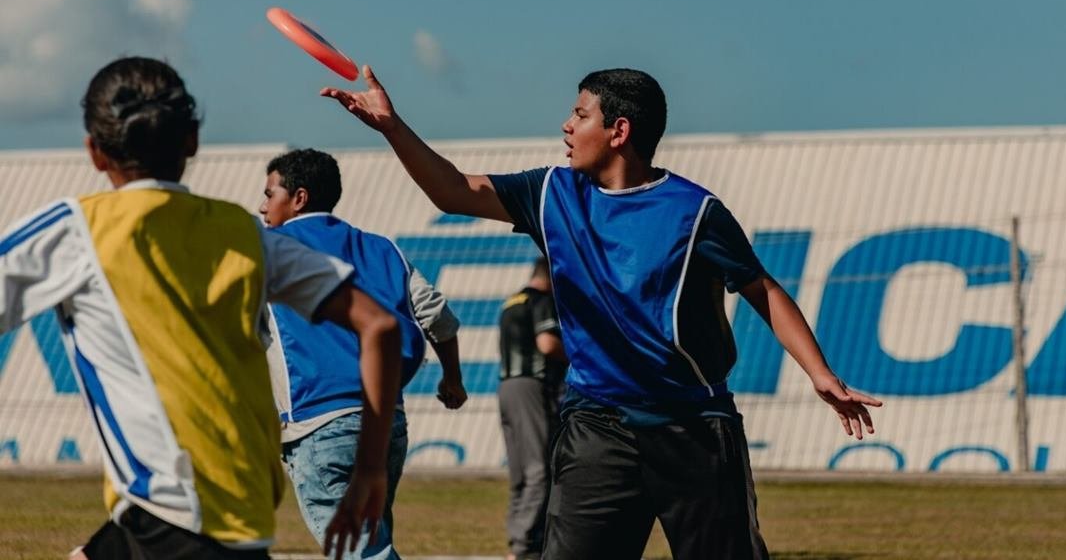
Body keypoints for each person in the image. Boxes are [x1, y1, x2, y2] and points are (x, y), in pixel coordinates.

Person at [321, 65, 884, 560]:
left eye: (579, 113)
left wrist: (820, 374)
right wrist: (392, 127)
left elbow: (761, 288)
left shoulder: (696, 213)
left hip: (693, 425)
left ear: (619, 131)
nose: (567, 126)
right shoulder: (551, 194)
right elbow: (453, 191)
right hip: (596, 426)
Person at [0, 57, 399, 560]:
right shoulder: (243, 233)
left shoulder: (75, 231)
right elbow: (379, 326)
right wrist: (370, 471)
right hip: (236, 510)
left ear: (95, 152)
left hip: (174, 511)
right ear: (191, 142)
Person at [258, 147, 468, 560]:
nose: (262, 206)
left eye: (269, 194)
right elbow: (437, 316)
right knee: (370, 543)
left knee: (360, 553)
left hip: (320, 421)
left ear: (298, 198)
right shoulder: (383, 248)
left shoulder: (270, 250)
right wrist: (452, 378)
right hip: (386, 420)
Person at [498, 257, 567, 560]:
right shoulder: (542, 300)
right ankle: (527, 544)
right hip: (532, 387)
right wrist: (577, 356)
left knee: (520, 470)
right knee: (540, 468)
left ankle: (517, 541)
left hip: (507, 387)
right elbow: (548, 344)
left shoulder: (511, 301)